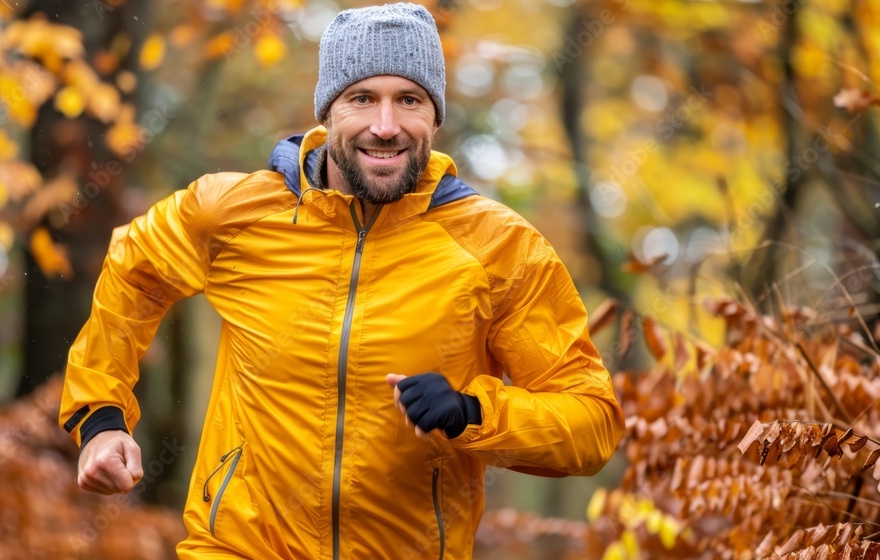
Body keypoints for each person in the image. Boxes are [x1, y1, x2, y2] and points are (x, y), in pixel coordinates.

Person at [58, 3, 625, 558]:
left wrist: (472, 412)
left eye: (409, 100)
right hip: (239, 546)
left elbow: (590, 422)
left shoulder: (500, 247)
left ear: (435, 117)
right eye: (362, 99)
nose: (385, 126)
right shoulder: (233, 213)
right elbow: (134, 270)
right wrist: (102, 418)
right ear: (327, 113)